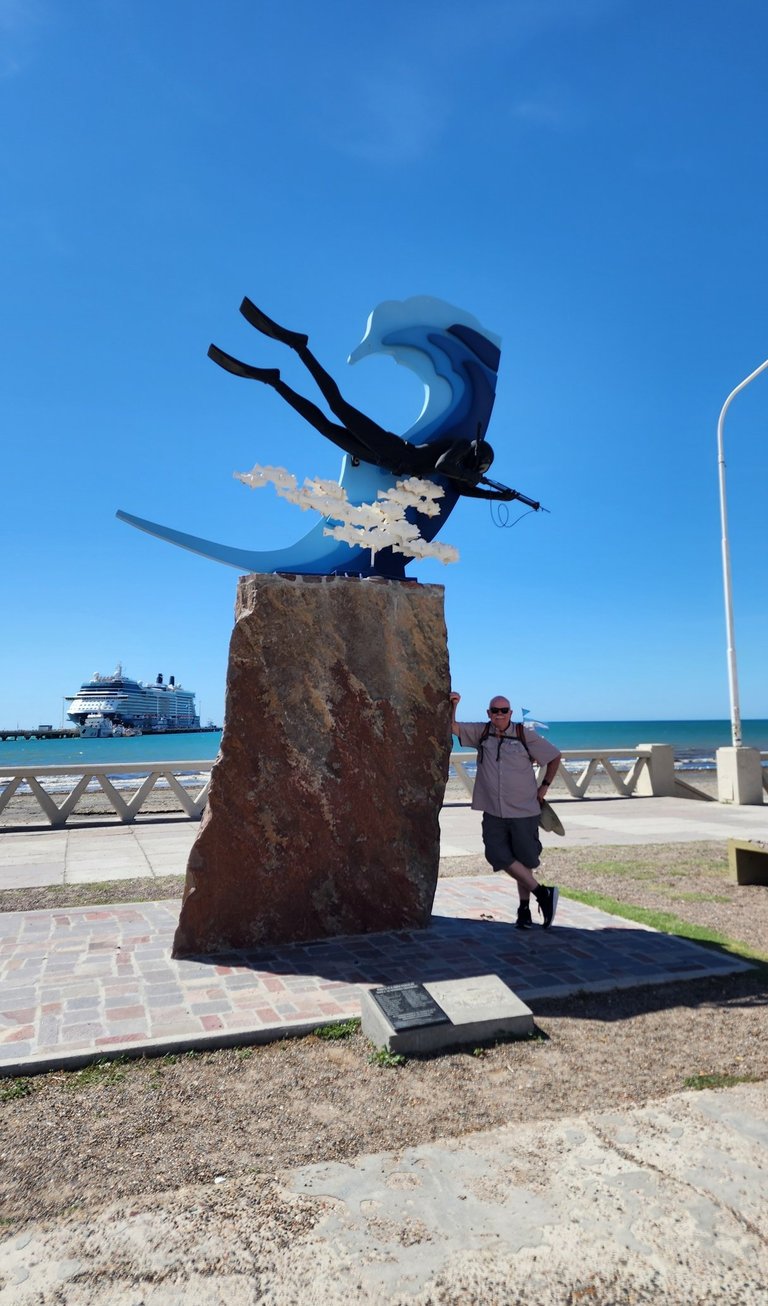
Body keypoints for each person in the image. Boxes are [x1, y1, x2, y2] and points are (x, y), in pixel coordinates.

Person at [208, 298, 542, 506]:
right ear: (475, 456)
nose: (472, 472)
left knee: (325, 427)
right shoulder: (458, 447)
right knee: (337, 406)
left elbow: (462, 488)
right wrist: (472, 477)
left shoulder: (462, 471)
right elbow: (444, 468)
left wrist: (499, 495)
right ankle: (300, 346)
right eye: (475, 467)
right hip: (393, 448)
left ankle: (274, 380)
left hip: (377, 457)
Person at [450, 691, 562, 928]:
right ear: (488, 713)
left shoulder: (524, 734)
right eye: (494, 710)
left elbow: (554, 756)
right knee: (496, 854)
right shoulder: (482, 732)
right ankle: (543, 894)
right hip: (493, 810)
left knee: (525, 859)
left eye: (503, 710)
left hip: (524, 810)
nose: (499, 714)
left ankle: (524, 911)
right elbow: (452, 727)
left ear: (510, 713)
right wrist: (454, 704)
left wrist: (544, 787)